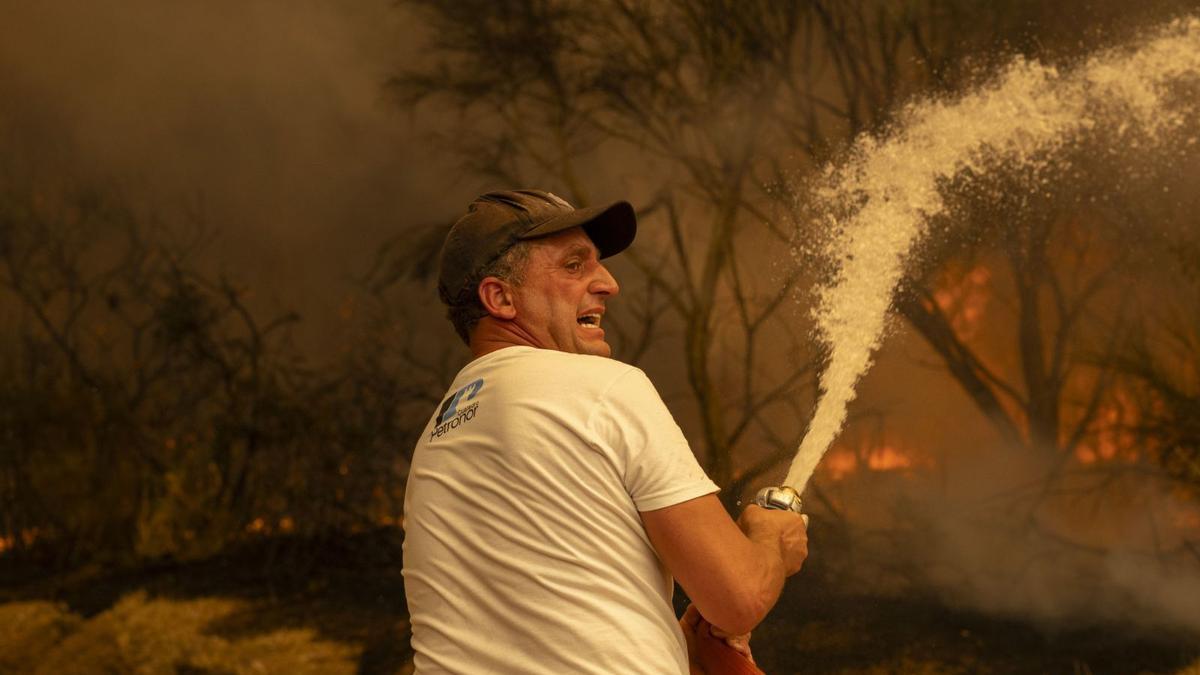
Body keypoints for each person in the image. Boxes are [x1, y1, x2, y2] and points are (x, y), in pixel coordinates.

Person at [403, 189, 808, 674]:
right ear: (501, 298)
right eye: (574, 265)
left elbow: (540, 620)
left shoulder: (438, 436)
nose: (609, 284)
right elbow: (738, 599)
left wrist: (676, 646)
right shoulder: (603, 389)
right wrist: (768, 541)